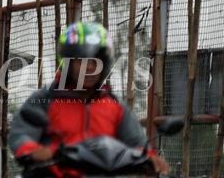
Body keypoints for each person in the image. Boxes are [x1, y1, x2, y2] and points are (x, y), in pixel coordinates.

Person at [9, 22, 169, 175]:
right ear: (67, 63)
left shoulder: (114, 105)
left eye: (95, 61)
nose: (90, 67)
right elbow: (22, 133)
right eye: (82, 61)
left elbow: (136, 142)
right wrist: (35, 151)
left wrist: (150, 158)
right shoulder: (46, 99)